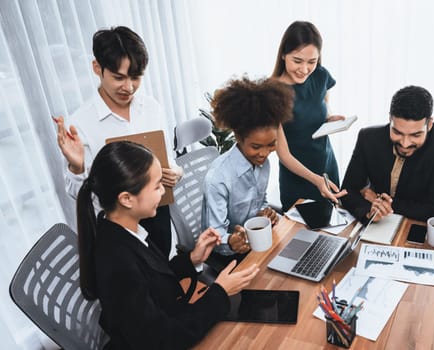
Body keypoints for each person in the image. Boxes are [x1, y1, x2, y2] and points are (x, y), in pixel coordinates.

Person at [77, 141, 259, 349]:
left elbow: (152, 279)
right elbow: (162, 339)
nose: (163, 191)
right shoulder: (116, 262)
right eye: (156, 186)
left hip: (170, 317)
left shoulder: (124, 229)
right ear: (126, 199)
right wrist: (220, 292)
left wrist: (192, 259)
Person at [54, 26, 182, 258]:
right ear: (97, 68)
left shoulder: (152, 108)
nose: (129, 87)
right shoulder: (80, 123)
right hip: (119, 231)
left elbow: (168, 158)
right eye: (118, 77)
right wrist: (76, 167)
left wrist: (175, 171)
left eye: (136, 77)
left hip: (158, 214)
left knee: (166, 279)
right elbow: (77, 193)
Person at [201, 77, 294, 267]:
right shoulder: (218, 178)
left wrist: (264, 212)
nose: (264, 153)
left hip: (257, 243)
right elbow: (215, 235)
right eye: (256, 146)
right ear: (238, 137)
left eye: (271, 145)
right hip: (228, 255)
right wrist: (231, 242)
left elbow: (259, 200)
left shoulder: (262, 164)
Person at [339, 85, 434, 223]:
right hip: (377, 223)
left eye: (416, 135)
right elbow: (347, 190)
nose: (405, 143)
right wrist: (368, 211)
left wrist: (383, 202)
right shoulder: (368, 138)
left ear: (430, 124)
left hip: (418, 225)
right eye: (397, 132)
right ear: (390, 119)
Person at [272, 21, 347, 211]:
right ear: (283, 55)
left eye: (311, 62)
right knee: (298, 237)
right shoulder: (271, 93)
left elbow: (323, 106)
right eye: (297, 61)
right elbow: (283, 154)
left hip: (327, 168)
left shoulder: (321, 76)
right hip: (298, 179)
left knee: (333, 234)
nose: (304, 69)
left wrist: (329, 119)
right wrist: (316, 180)